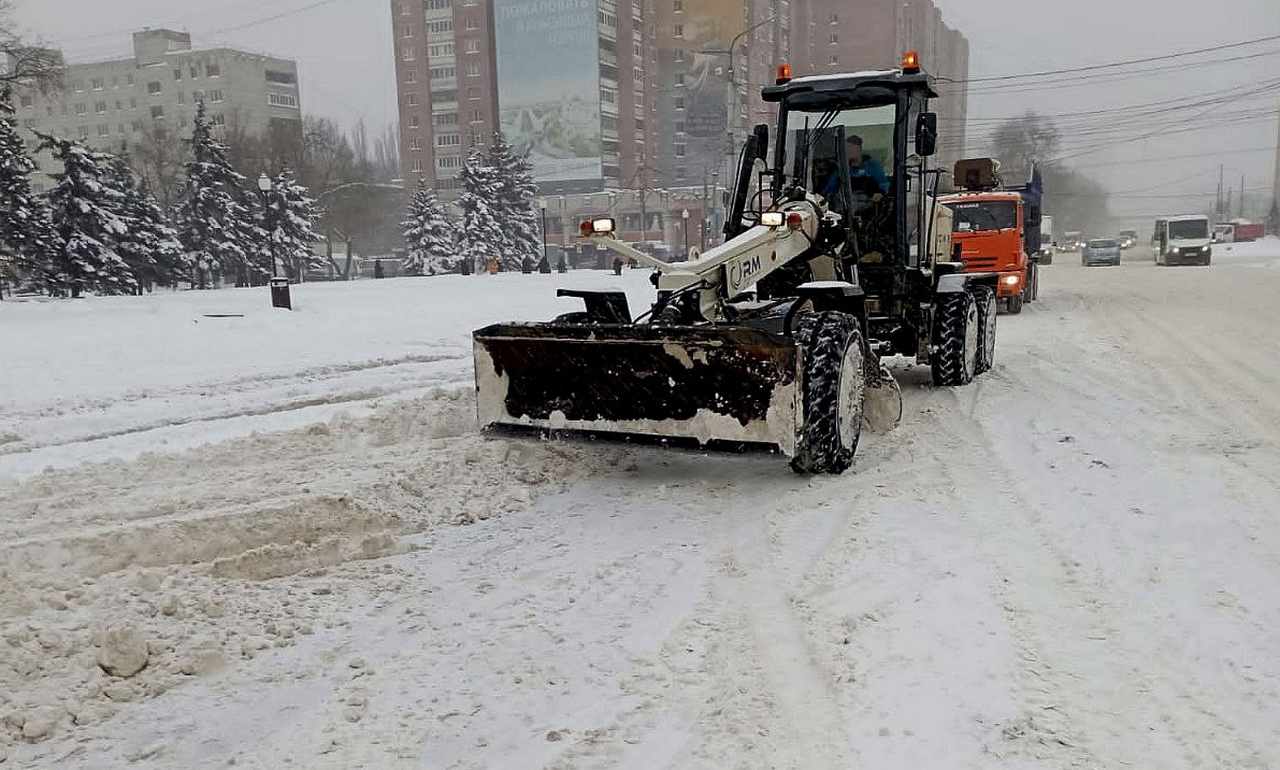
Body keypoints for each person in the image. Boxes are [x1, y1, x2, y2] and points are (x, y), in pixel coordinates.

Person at [823, 135, 889, 198]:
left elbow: (884, 186)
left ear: (858, 149)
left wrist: (880, 194)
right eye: (847, 149)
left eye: (850, 149)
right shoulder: (841, 169)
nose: (847, 151)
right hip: (847, 205)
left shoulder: (872, 166)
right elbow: (829, 190)